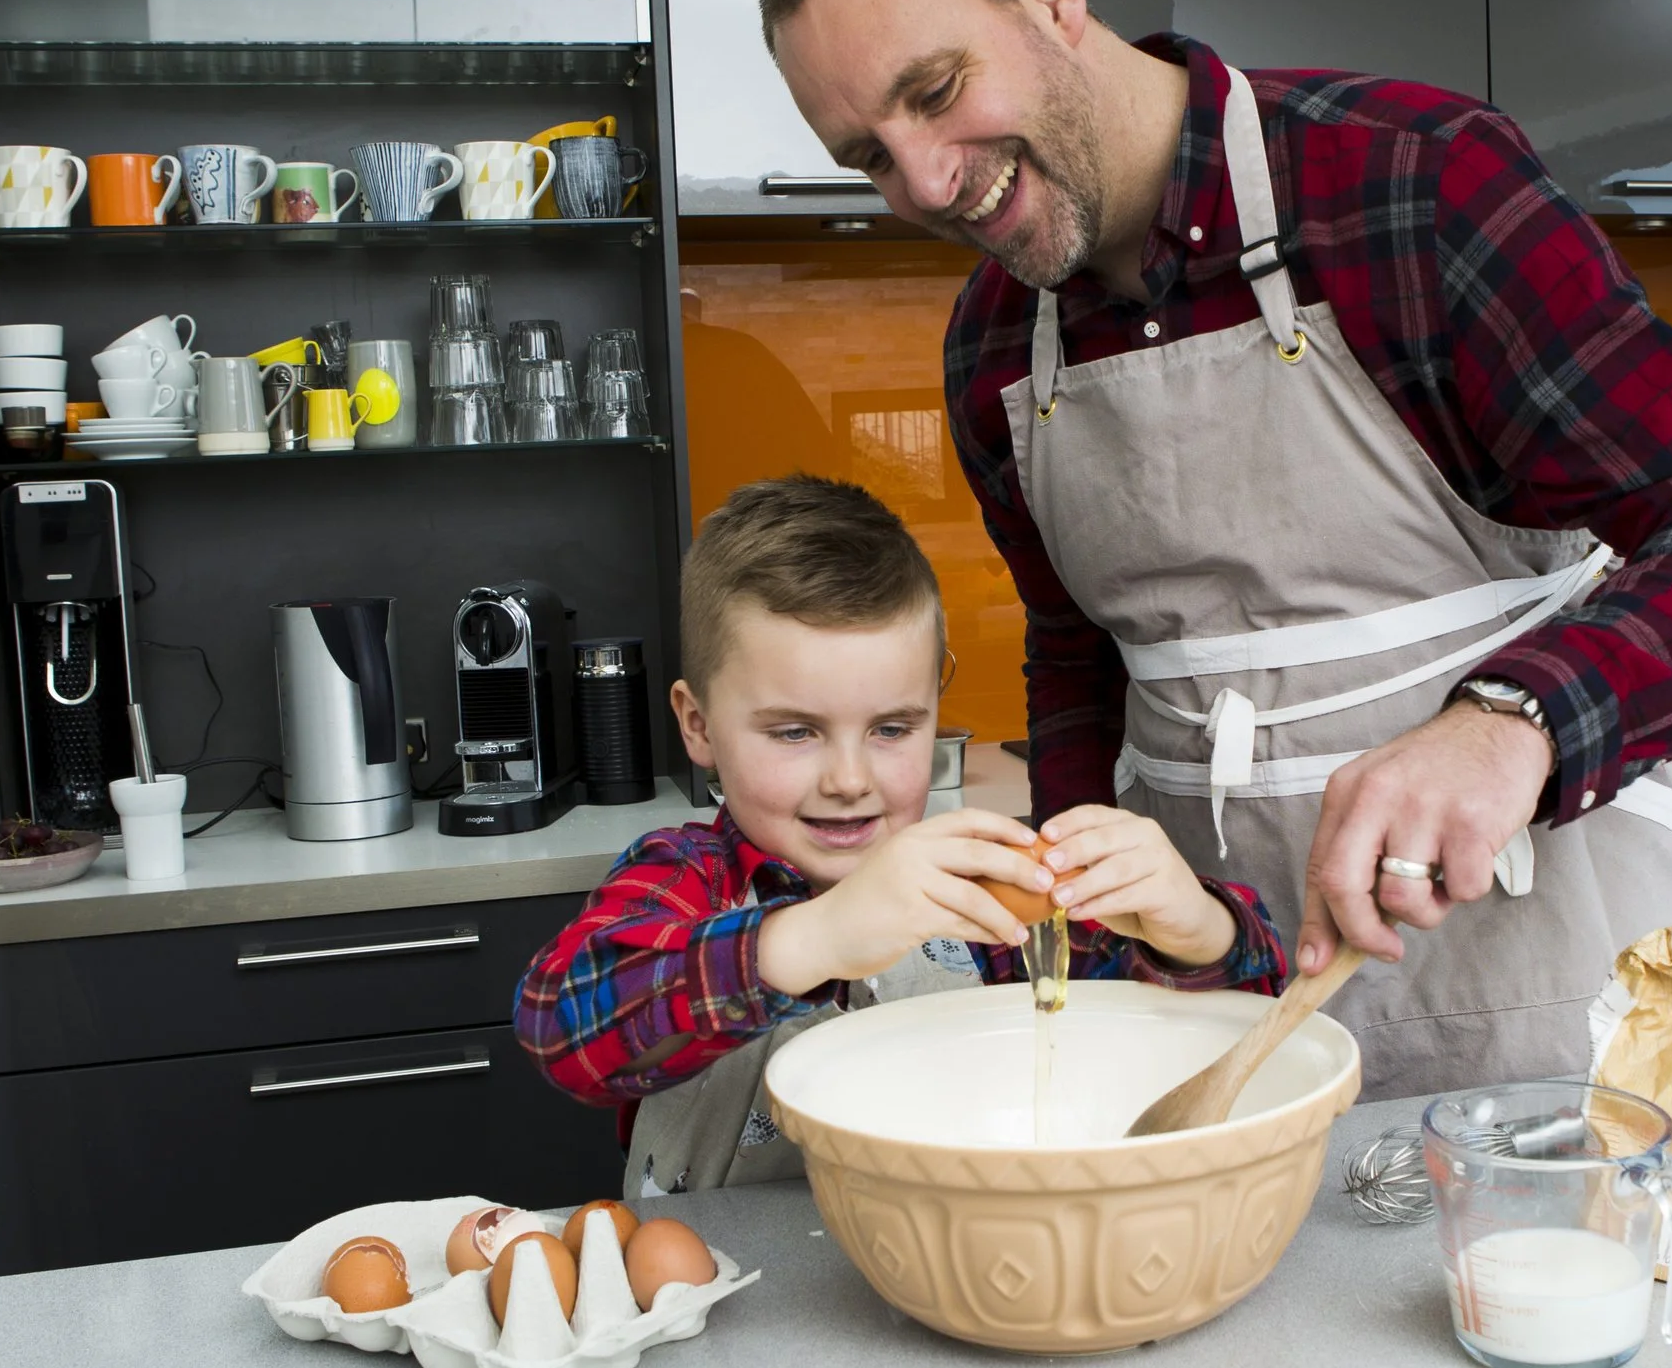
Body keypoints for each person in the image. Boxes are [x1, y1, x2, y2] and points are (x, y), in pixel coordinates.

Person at [756, 0, 1672, 1096]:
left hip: (1560, 1013)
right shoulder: (993, 347)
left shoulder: (1413, 182)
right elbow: (1077, 660)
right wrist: (1079, 936)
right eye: (869, 157)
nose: (929, 182)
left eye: (937, 90)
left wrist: (1512, 726)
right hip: (1223, 1038)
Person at [514, 476, 1286, 1196]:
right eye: (794, 731)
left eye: (891, 727)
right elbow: (560, 1024)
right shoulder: (686, 878)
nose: (850, 779)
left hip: (946, 1286)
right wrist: (815, 938)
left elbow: (1248, 1017)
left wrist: (1199, 932)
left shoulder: (983, 889)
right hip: (724, 1316)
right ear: (698, 724)